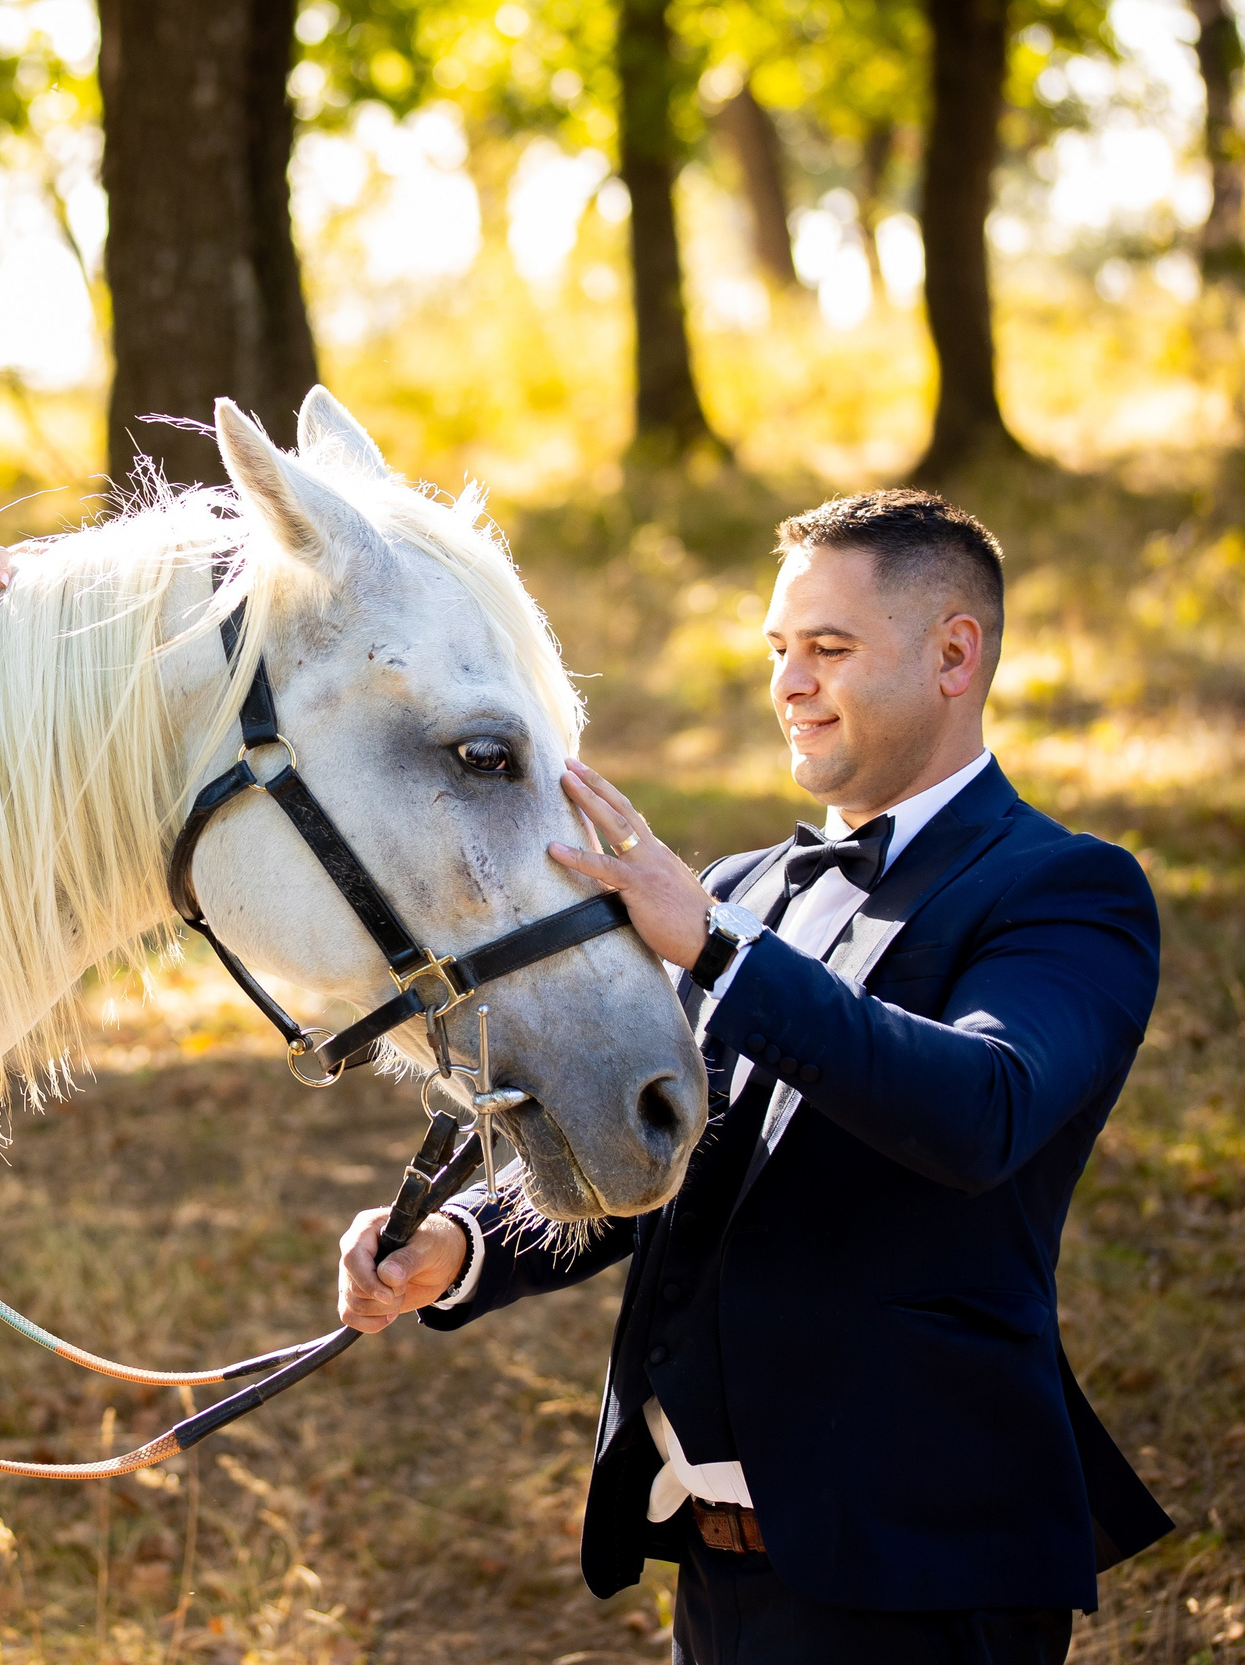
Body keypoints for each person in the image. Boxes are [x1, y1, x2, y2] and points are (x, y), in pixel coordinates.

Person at [335, 490, 1171, 1664]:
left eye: (829, 649)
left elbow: (982, 1110)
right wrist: (460, 1248)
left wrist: (717, 945)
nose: (789, 683)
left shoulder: (1066, 889)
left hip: (919, 1572)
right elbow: (670, 1140)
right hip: (716, 1571)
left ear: (952, 654)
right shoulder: (748, 887)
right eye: (780, 649)